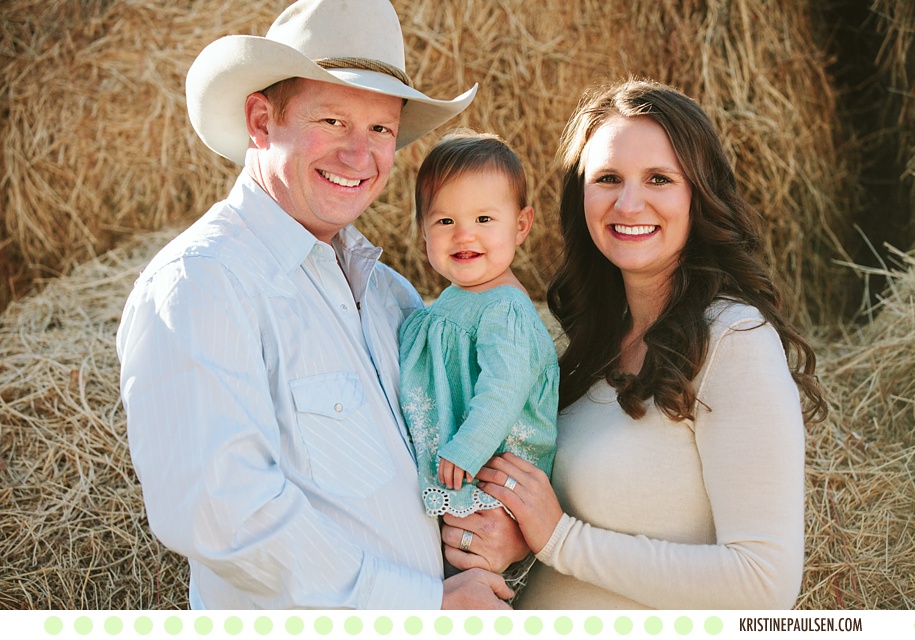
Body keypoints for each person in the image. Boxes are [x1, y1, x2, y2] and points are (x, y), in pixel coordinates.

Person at [116, 0, 523, 610]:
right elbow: (220, 512)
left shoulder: (392, 298)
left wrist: (500, 527)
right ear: (261, 120)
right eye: (332, 121)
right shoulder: (202, 284)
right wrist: (423, 608)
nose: (360, 157)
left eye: (381, 129)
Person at [474, 78, 827, 609]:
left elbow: (763, 586)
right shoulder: (593, 344)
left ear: (699, 194)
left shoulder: (733, 339)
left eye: (659, 178)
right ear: (581, 196)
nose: (629, 202)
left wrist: (558, 539)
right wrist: (523, 541)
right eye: (608, 178)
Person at [398, 131, 558, 561]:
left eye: (484, 220)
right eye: (445, 222)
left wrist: (469, 446)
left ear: (521, 225)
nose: (464, 235)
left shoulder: (506, 309)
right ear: (423, 231)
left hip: (493, 481)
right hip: (461, 474)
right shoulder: (455, 300)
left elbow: (503, 388)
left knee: (475, 566)